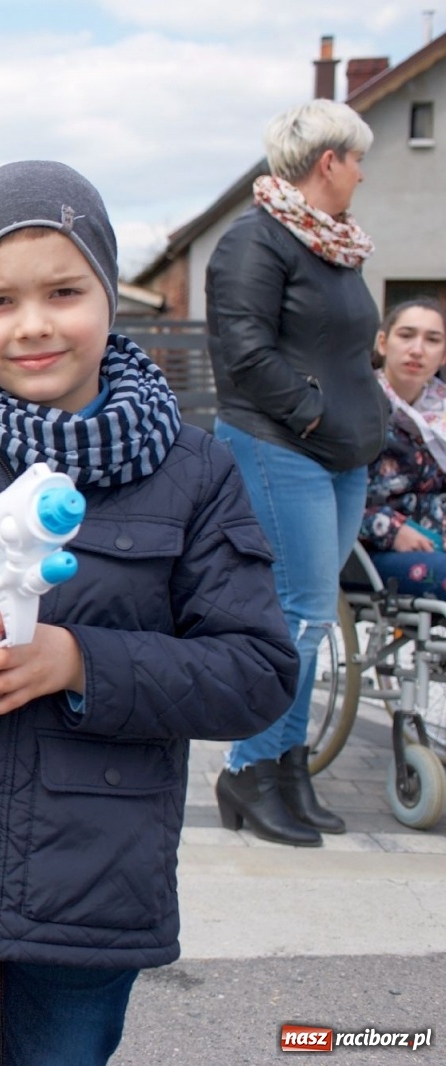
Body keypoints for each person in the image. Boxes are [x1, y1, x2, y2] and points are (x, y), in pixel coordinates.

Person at [0, 161, 298, 1066]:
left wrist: (79, 662)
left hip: (93, 887)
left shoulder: (194, 474)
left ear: (111, 295)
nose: (32, 324)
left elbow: (257, 671)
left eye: (64, 292)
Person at [206, 99, 389, 846]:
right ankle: (247, 769)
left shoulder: (336, 247)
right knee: (298, 616)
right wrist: (314, 416)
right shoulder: (254, 241)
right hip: (282, 446)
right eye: (357, 159)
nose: (362, 174)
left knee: (312, 621)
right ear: (328, 162)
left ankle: (288, 768)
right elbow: (243, 352)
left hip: (342, 456)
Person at [361, 298, 446, 595]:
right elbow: (328, 495)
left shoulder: (441, 413)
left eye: (432, 340)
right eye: (406, 335)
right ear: (383, 343)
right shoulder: (356, 405)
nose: (417, 349)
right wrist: (392, 530)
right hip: (373, 550)